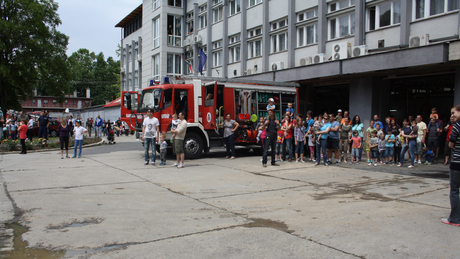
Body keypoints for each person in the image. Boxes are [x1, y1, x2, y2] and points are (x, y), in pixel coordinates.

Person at [442, 104, 460, 226]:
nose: (452, 115)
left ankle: (454, 218)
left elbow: (451, 144)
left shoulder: (456, 126)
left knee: (454, 190)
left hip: (457, 162)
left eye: (454, 113)